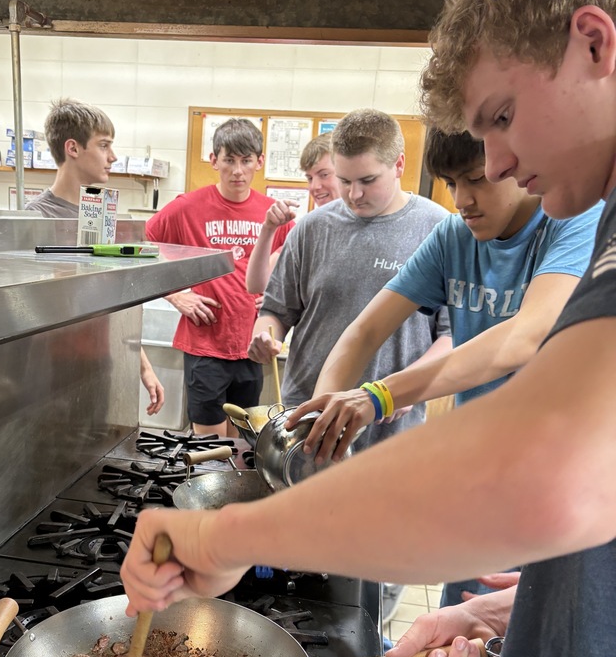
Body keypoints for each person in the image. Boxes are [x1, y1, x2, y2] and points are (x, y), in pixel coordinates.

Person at [120, 0, 616, 657]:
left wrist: (223, 538)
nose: (504, 161)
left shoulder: (587, 223)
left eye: (503, 116)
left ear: (595, 44)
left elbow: (547, 465)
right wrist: (519, 612)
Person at [285, 127, 599, 657]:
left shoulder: (573, 222)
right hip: (483, 485)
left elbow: (522, 339)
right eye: (452, 185)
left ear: (515, 166)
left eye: (479, 183)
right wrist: (332, 404)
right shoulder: (457, 236)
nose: (463, 203)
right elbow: (364, 329)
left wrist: (384, 395)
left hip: (569, 493)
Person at [247, 109, 451, 454]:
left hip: (392, 427)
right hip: (309, 420)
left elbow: (451, 334)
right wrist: (265, 334)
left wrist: (404, 387)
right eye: (344, 180)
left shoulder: (438, 229)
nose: (353, 194)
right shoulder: (311, 229)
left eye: (368, 180)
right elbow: (276, 312)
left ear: (399, 165)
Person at [145, 118, 293, 436]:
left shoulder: (275, 216)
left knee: (241, 439)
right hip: (205, 344)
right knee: (209, 444)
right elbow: (143, 246)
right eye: (229, 160)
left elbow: (291, 268)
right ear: (214, 160)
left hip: (252, 343)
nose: (237, 171)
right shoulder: (186, 207)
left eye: (246, 161)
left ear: (259, 162)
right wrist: (175, 294)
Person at [27, 98, 164, 415]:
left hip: (99, 361)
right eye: (104, 146)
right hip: (51, 367)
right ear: (73, 148)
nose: (112, 157)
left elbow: (114, 301)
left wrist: (142, 365)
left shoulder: (102, 216)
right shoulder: (38, 218)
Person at [245, 133, 342, 294]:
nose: (315, 186)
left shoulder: (370, 226)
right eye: (310, 178)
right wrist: (268, 229)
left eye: (324, 175)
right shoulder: (309, 230)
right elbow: (256, 285)